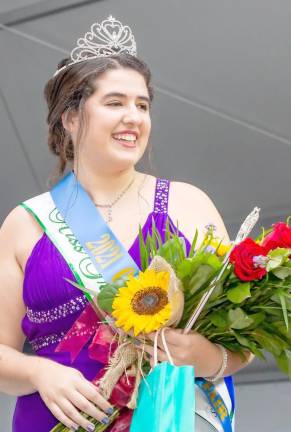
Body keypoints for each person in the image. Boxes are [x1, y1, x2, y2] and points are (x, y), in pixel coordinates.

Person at [0, 16, 251, 432]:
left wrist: (204, 356)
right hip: (55, 419)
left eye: (143, 105)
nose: (133, 117)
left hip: (169, 418)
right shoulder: (26, 224)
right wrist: (39, 374)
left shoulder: (189, 206)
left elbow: (247, 342)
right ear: (71, 118)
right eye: (115, 103)